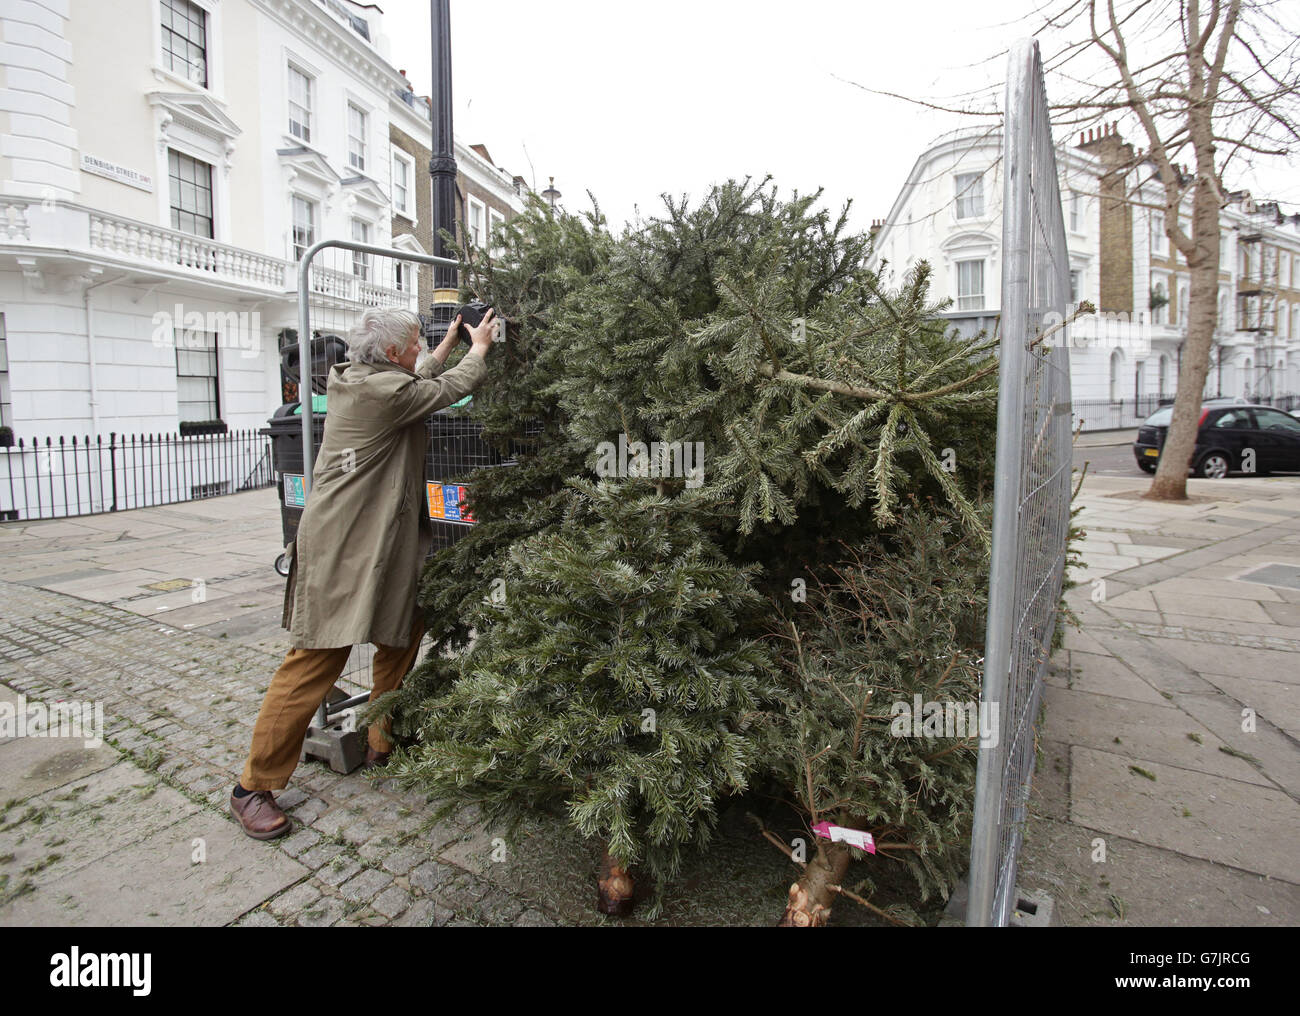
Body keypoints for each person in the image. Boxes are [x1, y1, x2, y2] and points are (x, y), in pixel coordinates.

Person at [230, 305, 496, 839]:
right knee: (316, 657)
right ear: (394, 352)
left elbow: (418, 380)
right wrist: (480, 347)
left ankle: (379, 738)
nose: (422, 349)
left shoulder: (374, 378)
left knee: (403, 629)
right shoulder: (381, 393)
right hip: (342, 544)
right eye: (418, 343)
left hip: (383, 540)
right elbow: (440, 392)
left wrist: (443, 347)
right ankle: (251, 788)